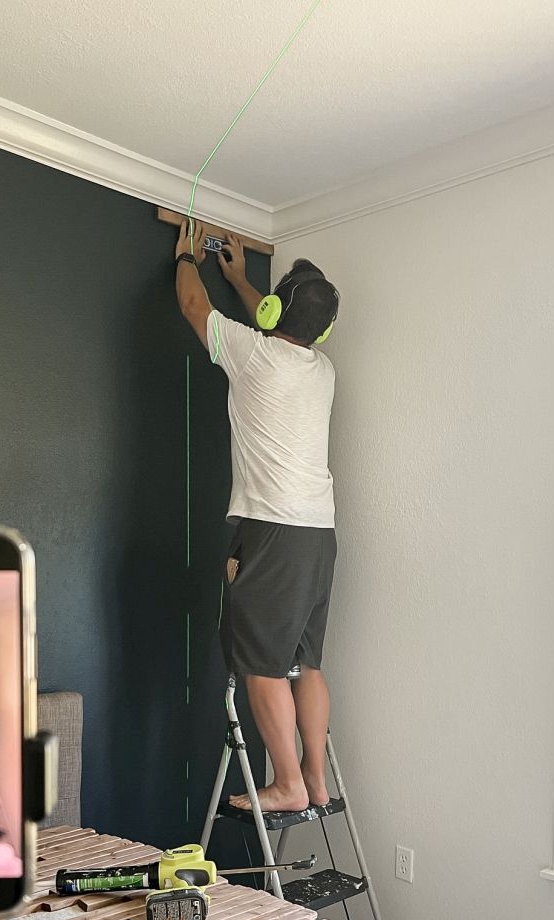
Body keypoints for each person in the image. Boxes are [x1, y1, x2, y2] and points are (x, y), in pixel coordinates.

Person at [175, 220, 339, 813]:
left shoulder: (253, 356)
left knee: (263, 669)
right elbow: (275, 325)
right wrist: (243, 279)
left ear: (274, 311)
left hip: (273, 533)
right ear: (324, 328)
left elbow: (194, 305)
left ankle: (289, 784)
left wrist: (187, 257)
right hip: (319, 536)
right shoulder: (322, 372)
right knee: (305, 662)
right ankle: (316, 780)